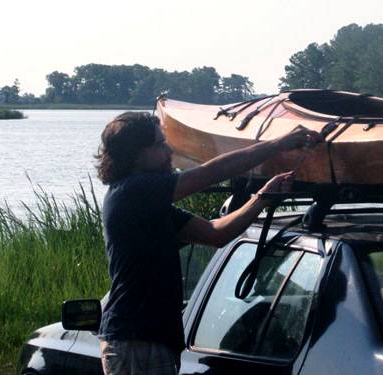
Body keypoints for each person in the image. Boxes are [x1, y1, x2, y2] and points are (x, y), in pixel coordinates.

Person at [94, 111, 320, 375]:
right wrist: (277, 145)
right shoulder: (135, 190)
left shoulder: (146, 203)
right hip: (136, 339)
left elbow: (216, 234)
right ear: (135, 155)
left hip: (148, 339)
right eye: (159, 144)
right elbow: (210, 173)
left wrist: (262, 198)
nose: (168, 151)